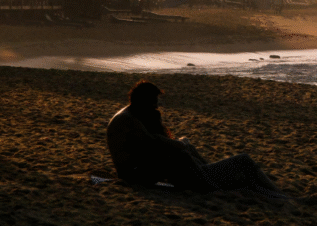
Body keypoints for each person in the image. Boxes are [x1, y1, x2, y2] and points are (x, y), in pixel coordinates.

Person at [106, 80, 285, 198]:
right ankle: (216, 186)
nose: (156, 106)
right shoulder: (129, 120)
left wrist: (180, 143)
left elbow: (155, 144)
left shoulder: (134, 115)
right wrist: (180, 145)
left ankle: (210, 175)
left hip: (142, 170)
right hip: (136, 174)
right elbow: (155, 142)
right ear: (143, 101)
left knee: (185, 149)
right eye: (153, 102)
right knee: (242, 160)